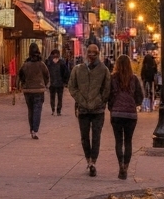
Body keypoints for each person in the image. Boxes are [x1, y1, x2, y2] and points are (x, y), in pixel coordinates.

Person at [68, 43, 112, 176]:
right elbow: (72, 87)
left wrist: (100, 100)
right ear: (86, 53)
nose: (92, 55)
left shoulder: (103, 70)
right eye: (90, 52)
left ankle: (93, 161)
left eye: (94, 53)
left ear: (98, 54)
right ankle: (88, 159)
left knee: (96, 137)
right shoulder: (78, 69)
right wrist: (80, 100)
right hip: (83, 109)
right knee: (84, 137)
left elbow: (107, 88)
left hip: (98, 110)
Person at [108, 55, 144, 180]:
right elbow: (140, 97)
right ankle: (126, 167)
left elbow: (109, 95)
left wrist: (112, 107)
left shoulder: (113, 79)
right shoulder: (133, 79)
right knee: (128, 141)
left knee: (118, 141)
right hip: (131, 115)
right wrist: (133, 104)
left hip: (117, 114)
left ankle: (120, 166)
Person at [18, 44, 50, 138]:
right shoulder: (41, 64)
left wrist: (24, 83)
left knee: (30, 110)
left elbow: (21, 75)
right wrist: (44, 84)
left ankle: (32, 129)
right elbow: (47, 75)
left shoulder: (25, 64)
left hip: (28, 90)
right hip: (39, 90)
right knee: (37, 110)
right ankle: (35, 130)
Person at [46, 49, 71, 116]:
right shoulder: (61, 62)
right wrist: (65, 81)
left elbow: (46, 73)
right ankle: (58, 110)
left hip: (52, 83)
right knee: (59, 98)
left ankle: (53, 110)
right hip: (59, 83)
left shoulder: (49, 62)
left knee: (53, 97)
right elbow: (66, 73)